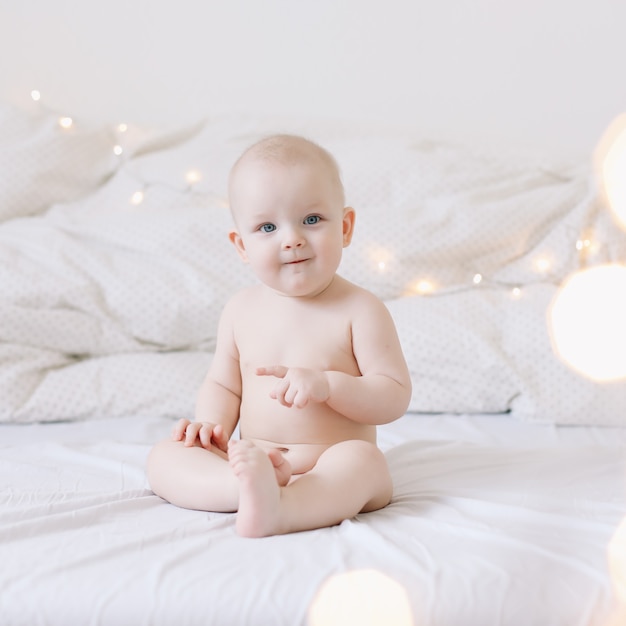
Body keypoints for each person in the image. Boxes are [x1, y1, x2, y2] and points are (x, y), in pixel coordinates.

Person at [146, 134, 412, 537]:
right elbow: (223, 383)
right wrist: (210, 429)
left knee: (365, 463)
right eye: (267, 227)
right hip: (255, 457)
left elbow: (392, 395)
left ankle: (286, 508)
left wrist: (329, 386)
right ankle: (243, 488)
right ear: (241, 245)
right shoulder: (239, 309)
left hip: (329, 463)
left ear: (345, 227)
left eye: (311, 220)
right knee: (164, 458)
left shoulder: (361, 310)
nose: (292, 239)